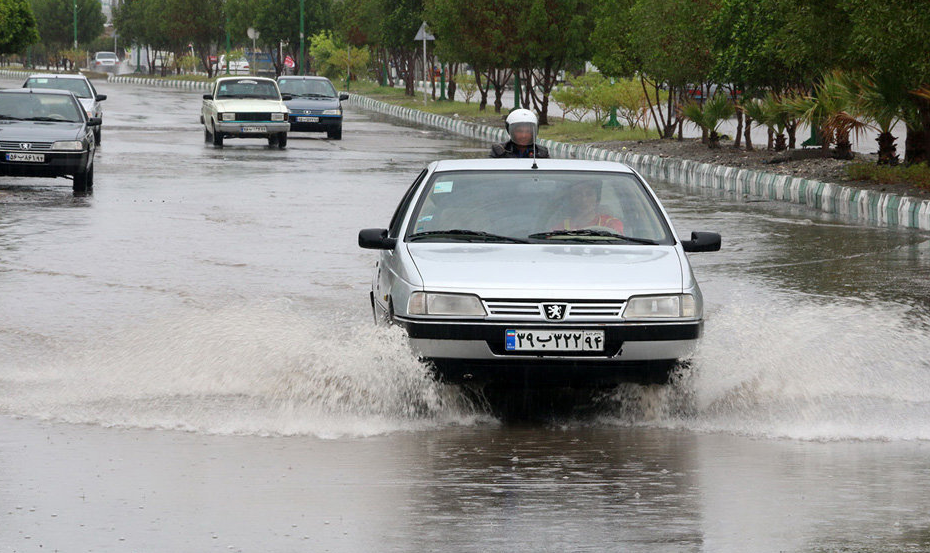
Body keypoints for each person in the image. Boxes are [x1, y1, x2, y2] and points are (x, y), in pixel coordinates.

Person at [551, 179, 624, 233]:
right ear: (571, 199)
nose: (584, 199)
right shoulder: (562, 227)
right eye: (578, 194)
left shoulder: (610, 223)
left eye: (589, 194)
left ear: (597, 199)